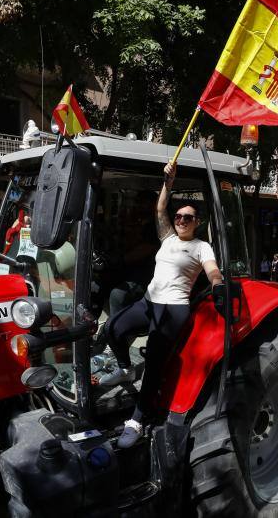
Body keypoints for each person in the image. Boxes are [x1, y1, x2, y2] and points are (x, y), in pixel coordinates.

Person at [99, 162, 223, 448]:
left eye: (188, 217)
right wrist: (169, 182)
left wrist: (217, 284)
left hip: (173, 310)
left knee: (154, 364)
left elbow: (212, 270)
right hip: (149, 302)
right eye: (179, 216)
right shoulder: (167, 238)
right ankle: (125, 368)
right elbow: (159, 210)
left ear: (197, 222)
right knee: (112, 329)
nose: (181, 220)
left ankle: (137, 420)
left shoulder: (202, 247)